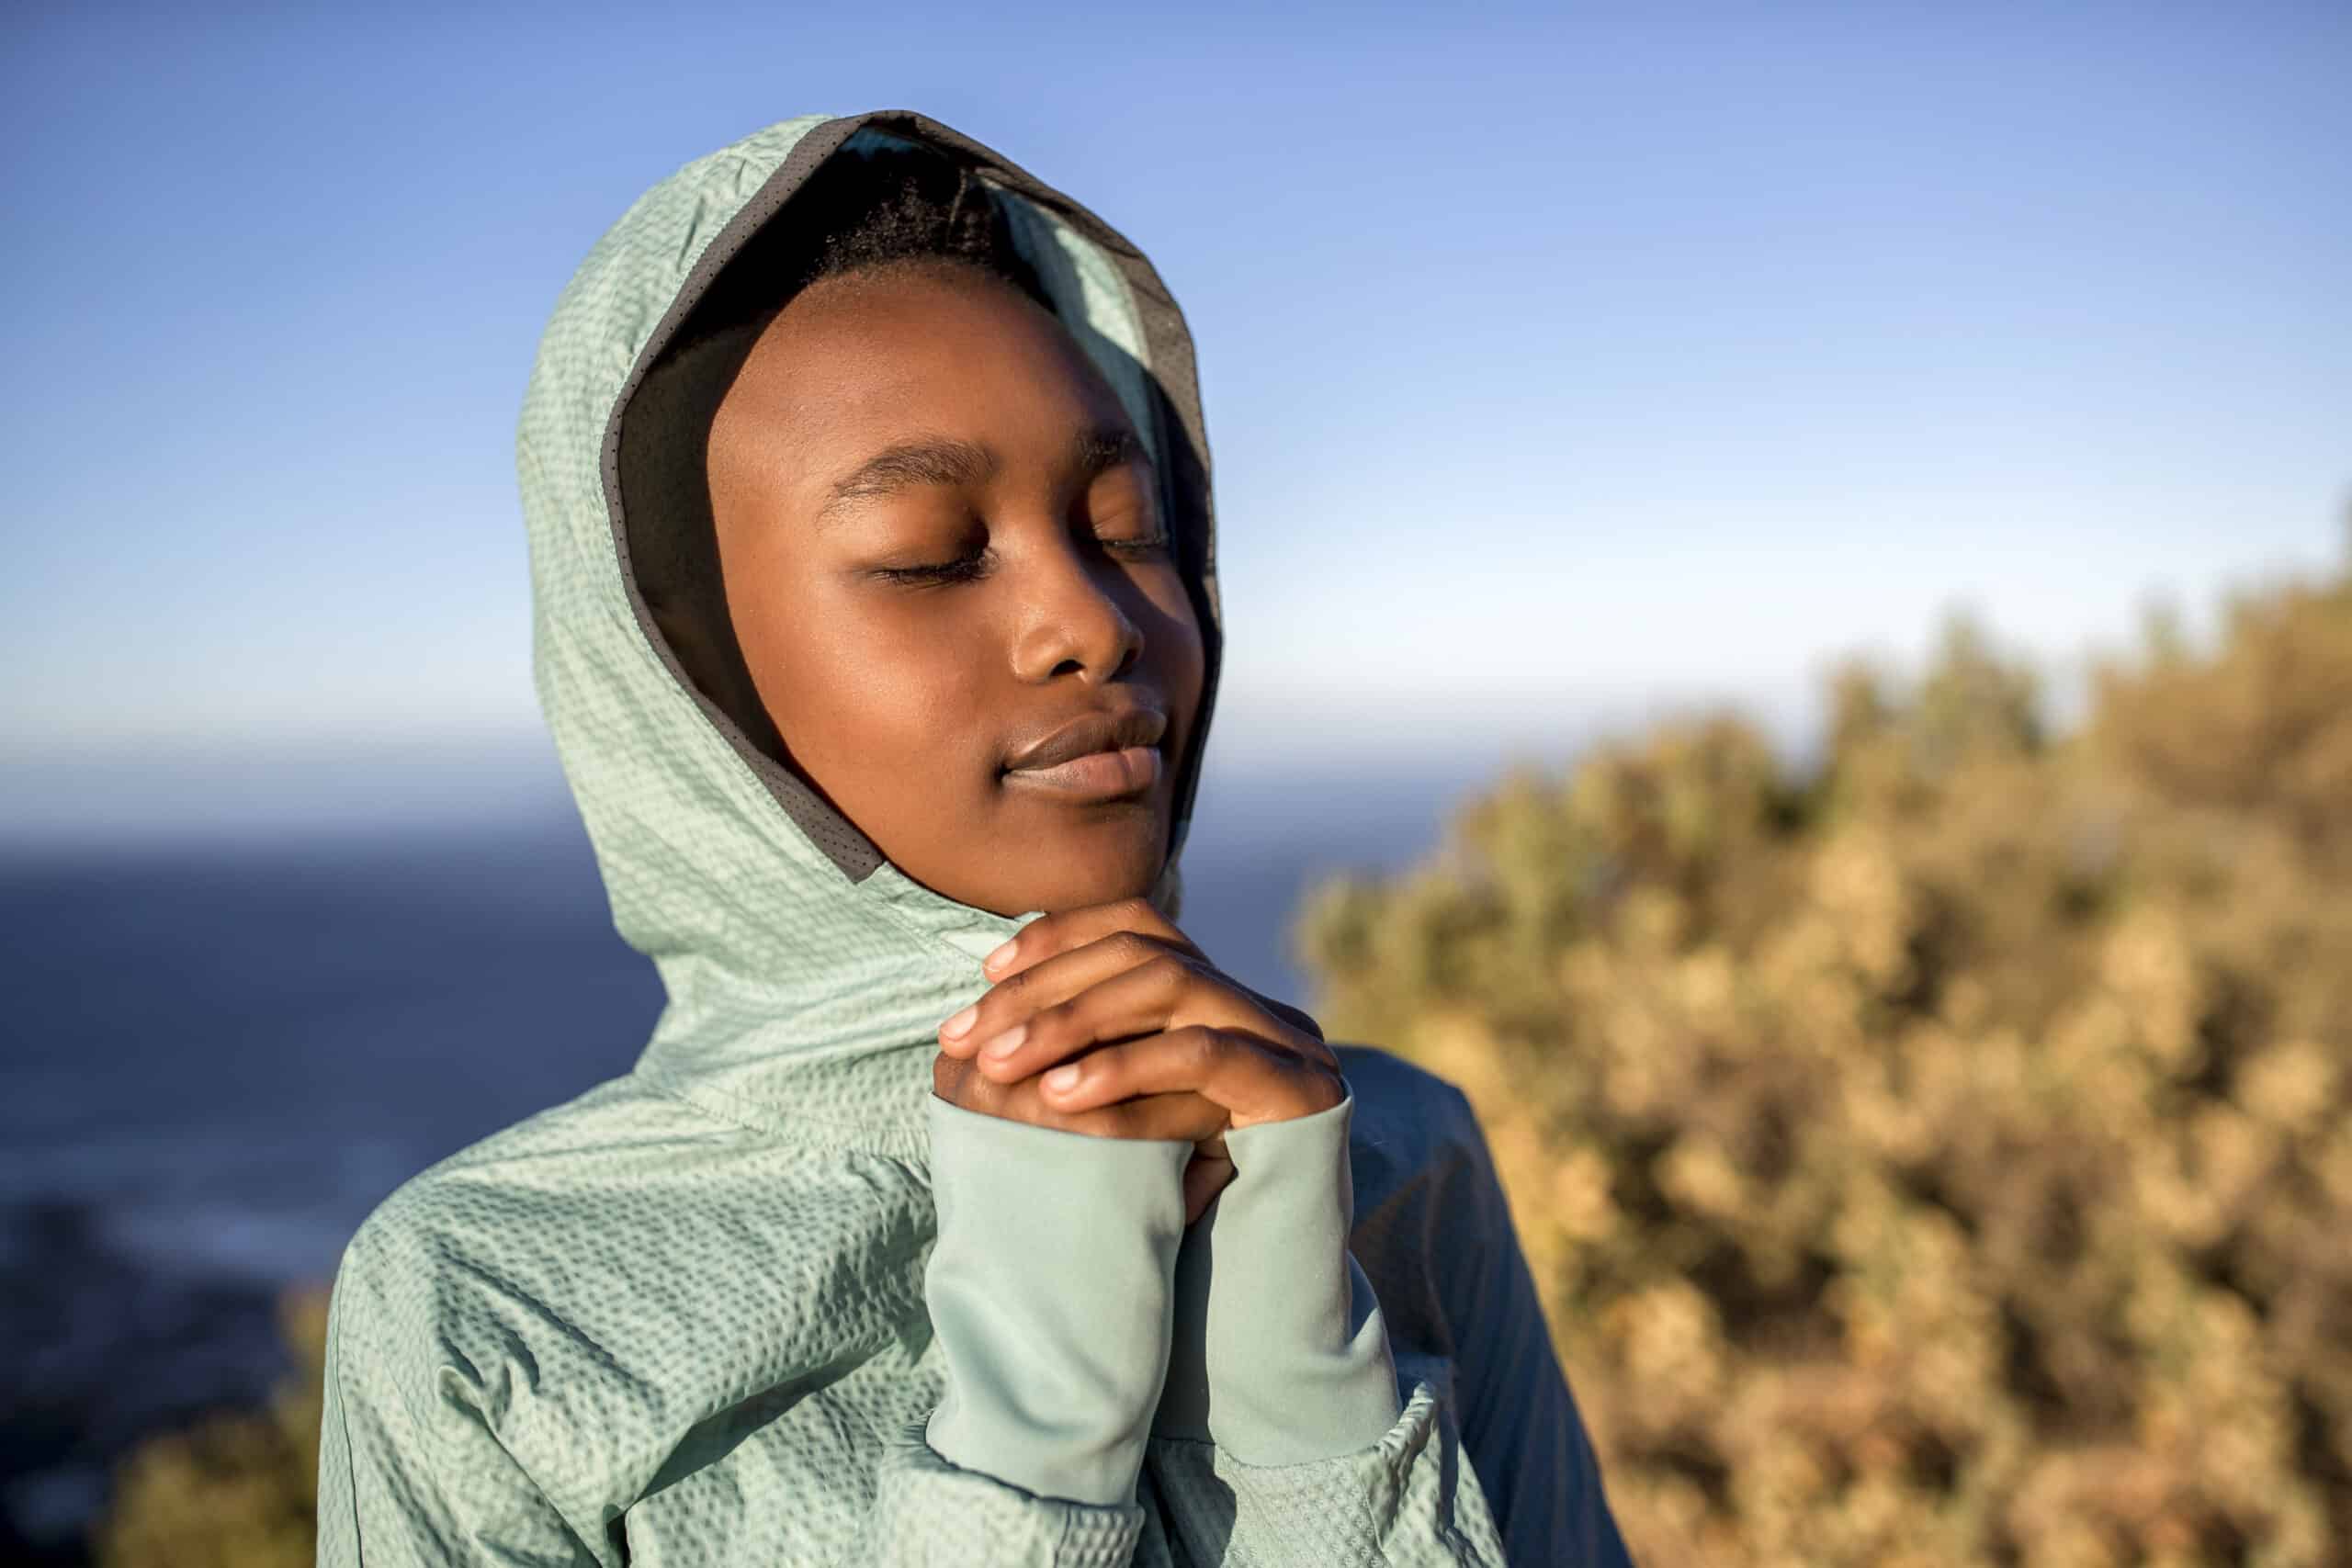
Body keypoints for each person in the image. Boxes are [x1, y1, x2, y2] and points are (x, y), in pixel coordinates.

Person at [313, 108, 1634, 1566]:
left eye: (1129, 528)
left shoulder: (1394, 1155)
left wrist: (1312, 1409)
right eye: (934, 556)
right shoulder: (492, 1308)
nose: (1095, 622)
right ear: (683, 670)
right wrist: (1036, 1435)